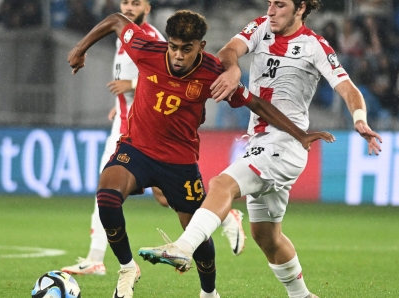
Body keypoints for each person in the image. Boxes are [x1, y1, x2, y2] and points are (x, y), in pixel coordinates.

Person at [68, 9, 334, 298]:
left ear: (201, 47)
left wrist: (300, 133)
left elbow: (256, 104)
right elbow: (116, 20)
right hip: (137, 149)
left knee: (198, 235)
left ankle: (209, 293)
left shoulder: (211, 73)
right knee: (106, 196)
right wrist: (80, 49)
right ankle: (127, 268)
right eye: (173, 47)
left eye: (186, 49)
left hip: (179, 165)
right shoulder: (146, 50)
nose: (178, 55)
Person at [138, 1, 382, 298]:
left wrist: (360, 120)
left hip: (285, 142)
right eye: (269, 3)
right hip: (259, 141)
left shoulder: (314, 45)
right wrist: (231, 70)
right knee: (266, 236)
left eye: (280, 5)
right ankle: (303, 295)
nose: (271, 11)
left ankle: (183, 247)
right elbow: (229, 50)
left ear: (301, 8)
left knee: (221, 184)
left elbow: (348, 88)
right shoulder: (260, 27)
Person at [61, 0, 248, 278]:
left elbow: (164, 76)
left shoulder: (151, 39)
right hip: (132, 132)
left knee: (179, 210)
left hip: (162, 137)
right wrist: (121, 102)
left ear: (147, 7)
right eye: (124, 1)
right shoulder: (125, 38)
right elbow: (148, 75)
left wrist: (234, 71)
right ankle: (101, 259)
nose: (128, 7)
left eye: (135, 2)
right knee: (110, 192)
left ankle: (218, 216)